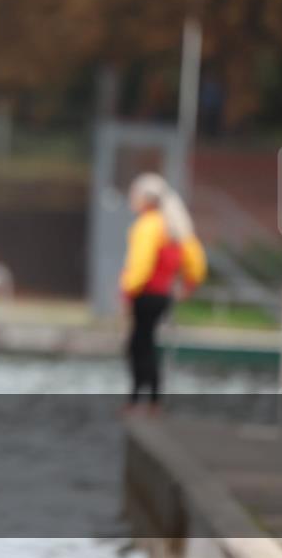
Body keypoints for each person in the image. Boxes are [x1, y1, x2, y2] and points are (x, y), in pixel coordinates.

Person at [119, 173, 206, 413]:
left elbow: (140, 265)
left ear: (146, 199)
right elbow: (195, 260)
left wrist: (128, 290)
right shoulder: (174, 225)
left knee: (138, 346)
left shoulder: (148, 225)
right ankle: (153, 400)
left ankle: (137, 399)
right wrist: (189, 284)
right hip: (163, 295)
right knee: (147, 343)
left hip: (146, 295)